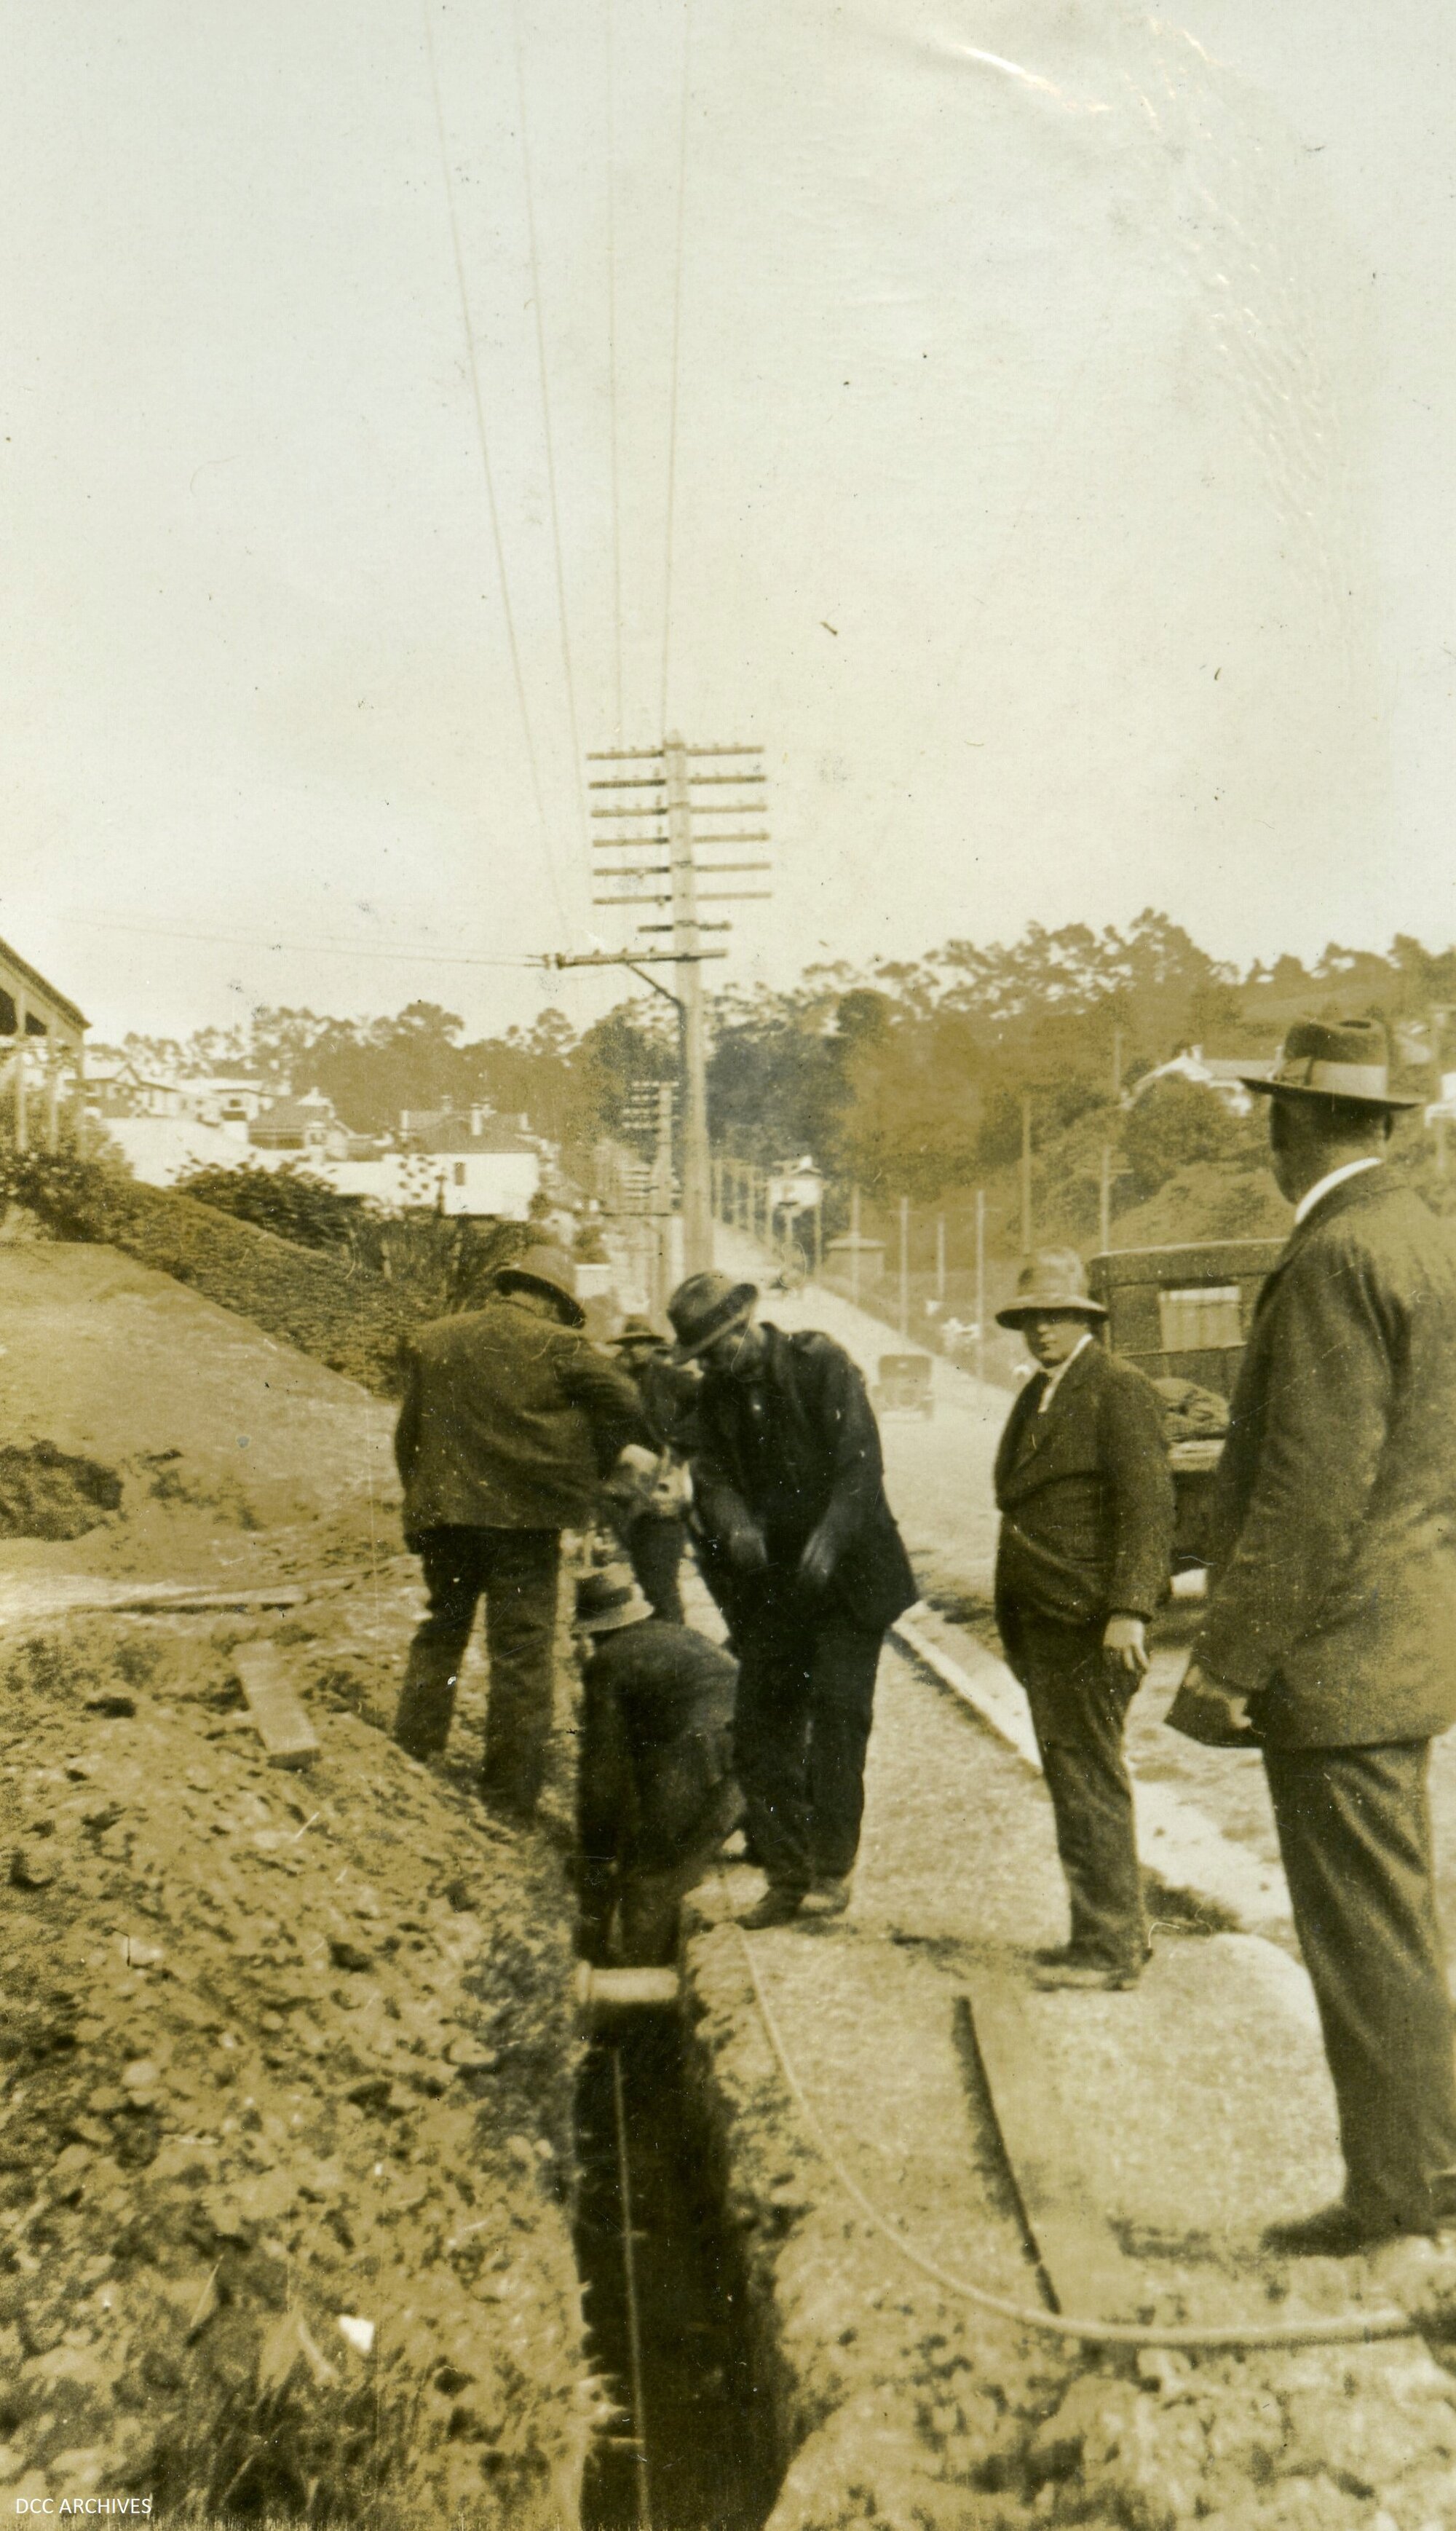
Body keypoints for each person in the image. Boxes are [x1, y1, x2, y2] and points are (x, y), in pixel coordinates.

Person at [1171, 1017, 1456, 2256]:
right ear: (1386, 1122)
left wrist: (1228, 1665)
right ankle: (1425, 2176)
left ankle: (1402, 2197)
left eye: (1269, 1117)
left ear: (1287, 1122)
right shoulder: (1425, 1239)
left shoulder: (1338, 1253)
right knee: (1394, 1924)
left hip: (1338, 1655)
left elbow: (1310, 1492)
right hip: (1397, 1638)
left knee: (1368, 1935)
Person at [668, 1271, 916, 1929]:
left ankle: (832, 1872)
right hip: (778, 1588)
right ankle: (786, 1877)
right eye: (705, 1354)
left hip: (848, 1581)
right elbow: (710, 1475)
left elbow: (860, 1465)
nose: (718, 1361)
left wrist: (831, 1538)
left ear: (748, 1327)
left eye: (723, 1345)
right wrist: (733, 1521)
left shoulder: (821, 1363)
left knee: (838, 1719)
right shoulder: (716, 1396)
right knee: (758, 1730)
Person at [392, 1246, 652, 1822]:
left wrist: (418, 1509)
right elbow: (630, 1404)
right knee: (521, 1656)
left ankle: (412, 1756)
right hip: (524, 1525)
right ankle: (508, 1800)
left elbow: (407, 1435)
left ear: (508, 1287)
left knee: (441, 1633)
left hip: (446, 1519)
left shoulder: (435, 1339)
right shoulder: (562, 1347)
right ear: (553, 1301)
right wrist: (587, 1451)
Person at [993, 1249, 1175, 1991]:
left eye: (1058, 1315)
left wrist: (1129, 1609)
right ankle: (1114, 1930)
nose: (1043, 1330)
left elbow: (1148, 1507)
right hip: (1042, 1610)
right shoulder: (1041, 1390)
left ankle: (1107, 1950)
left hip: (1086, 1615)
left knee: (1085, 1772)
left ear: (1085, 1319)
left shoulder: (1115, 1388)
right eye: (1033, 1317)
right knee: (1076, 1769)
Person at [574, 1563, 742, 1965]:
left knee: (651, 1874)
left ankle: (640, 1984)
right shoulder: (677, 1636)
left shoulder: (609, 1663)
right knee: (684, 1844)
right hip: (757, 1753)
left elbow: (603, 1770)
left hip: (703, 1751)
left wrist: (595, 1849)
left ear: (596, 1631)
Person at [604, 1316, 697, 1624]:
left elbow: (703, 1408)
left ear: (652, 1345)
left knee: (660, 1577)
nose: (635, 1351)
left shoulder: (671, 1377)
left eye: (641, 1344)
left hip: (664, 1479)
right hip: (626, 1483)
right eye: (630, 1345)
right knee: (643, 1571)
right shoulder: (614, 1378)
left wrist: (680, 1449)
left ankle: (673, 1635)